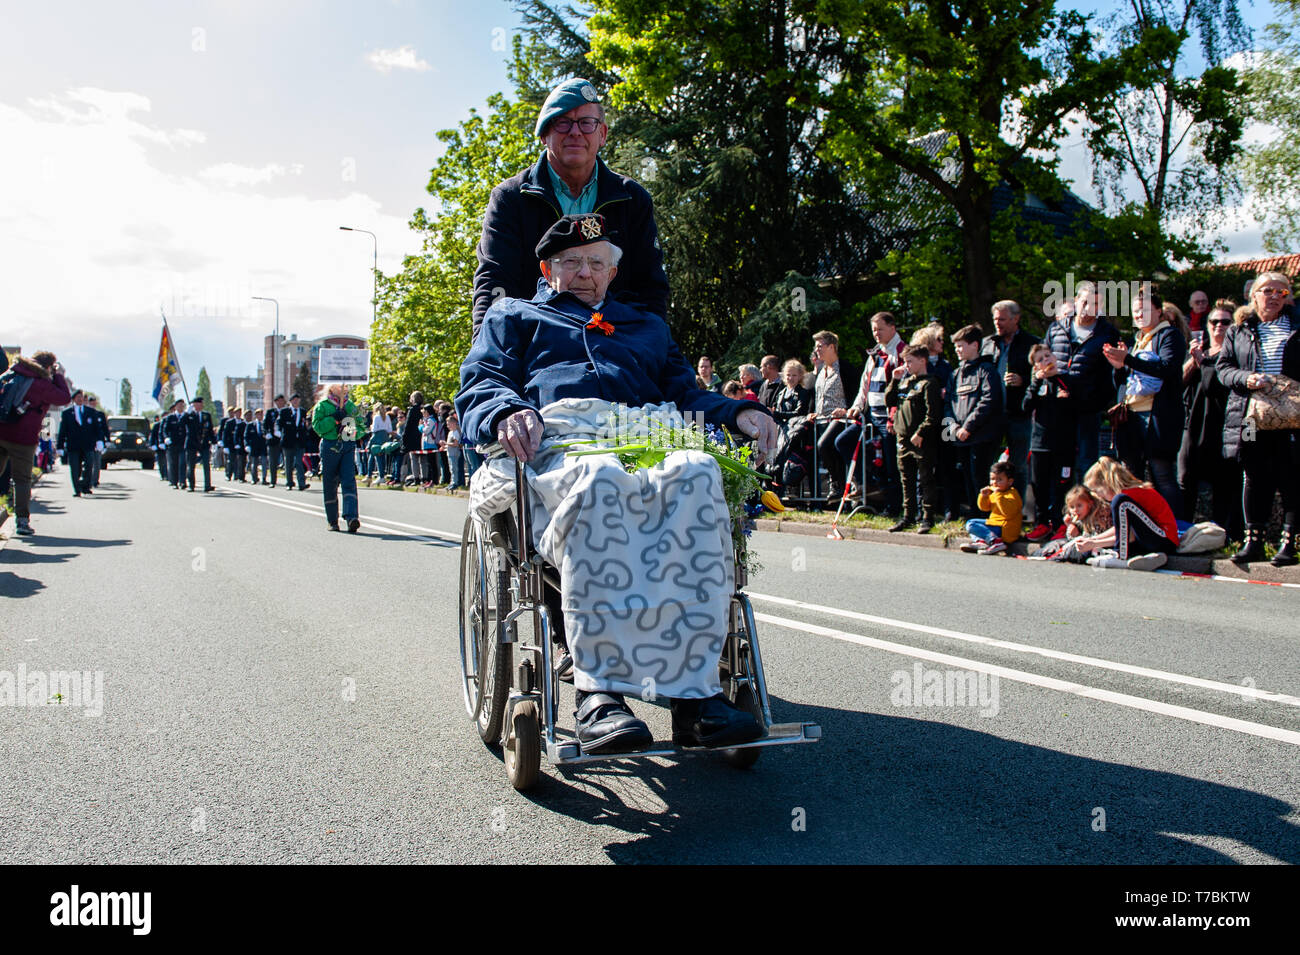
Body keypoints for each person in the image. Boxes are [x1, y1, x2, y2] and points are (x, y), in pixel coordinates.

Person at [457, 212, 778, 755]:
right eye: (572, 262)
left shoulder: (644, 325)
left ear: (612, 272)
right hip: (563, 442)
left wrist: (739, 412)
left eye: (597, 263)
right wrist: (508, 410)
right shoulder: (514, 315)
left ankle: (695, 698)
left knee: (697, 476)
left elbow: (684, 394)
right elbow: (480, 384)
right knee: (602, 482)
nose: (585, 273)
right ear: (546, 268)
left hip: (647, 438)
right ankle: (599, 694)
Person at [471, 77, 668, 341]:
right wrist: (489, 358)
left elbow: (650, 289)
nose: (575, 132)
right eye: (562, 122)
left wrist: (650, 354)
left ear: (602, 134)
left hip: (616, 349)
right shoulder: (510, 199)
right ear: (544, 134)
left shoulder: (632, 199)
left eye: (587, 123)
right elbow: (495, 284)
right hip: (535, 350)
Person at [1216, 271, 1300, 566]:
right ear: (1254, 295)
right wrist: (1246, 378)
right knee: (1253, 473)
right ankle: (1254, 542)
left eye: (1282, 292)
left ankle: (1290, 544)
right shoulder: (1239, 329)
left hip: (1292, 414)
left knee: (1292, 474)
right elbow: (1223, 368)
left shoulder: (1297, 324)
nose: (1275, 296)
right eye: (1268, 290)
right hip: (1252, 415)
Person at [1104, 289, 1187, 515]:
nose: (1139, 315)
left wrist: (1128, 359)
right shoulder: (1136, 340)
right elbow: (1124, 382)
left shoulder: (1169, 336)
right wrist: (1119, 367)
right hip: (1131, 416)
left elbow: (1168, 369)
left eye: (1145, 310)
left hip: (1159, 416)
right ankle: (1136, 528)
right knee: (1131, 476)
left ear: (1159, 311)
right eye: (1136, 311)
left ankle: (1175, 527)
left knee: (1162, 474)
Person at [1177, 299, 1243, 539]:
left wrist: (1203, 362)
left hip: (1222, 425)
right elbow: (1179, 382)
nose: (1218, 326)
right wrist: (1195, 360)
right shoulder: (1199, 352)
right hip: (1193, 423)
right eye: (1213, 321)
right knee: (1185, 479)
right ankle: (1181, 531)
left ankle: (1223, 536)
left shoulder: (1235, 354)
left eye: (1225, 322)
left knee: (1223, 485)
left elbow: (1215, 385)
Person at [1043, 280, 1122, 479]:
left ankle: (1088, 507)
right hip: (1058, 407)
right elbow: (1041, 360)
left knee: (1087, 463)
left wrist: (1098, 400)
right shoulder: (1056, 329)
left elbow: (1115, 373)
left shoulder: (1108, 334)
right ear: (1076, 301)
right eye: (1085, 302)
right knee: (1060, 461)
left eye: (1095, 304)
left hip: (1088, 410)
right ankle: (1061, 507)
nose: (1088, 308)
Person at [837, 311, 906, 513]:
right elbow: (864, 386)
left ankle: (893, 505)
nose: (876, 333)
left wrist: (895, 415)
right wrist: (857, 407)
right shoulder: (875, 354)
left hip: (889, 417)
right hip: (871, 416)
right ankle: (867, 485)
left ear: (892, 327)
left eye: (880, 329)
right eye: (874, 330)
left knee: (890, 461)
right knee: (843, 441)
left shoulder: (901, 352)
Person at [0, 351, 72, 536]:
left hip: (1, 431)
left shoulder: (12, 373)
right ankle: (22, 521)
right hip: (23, 439)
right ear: (48, 367)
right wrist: (57, 376)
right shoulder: (41, 384)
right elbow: (64, 398)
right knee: (22, 480)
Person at [1072, 457, 1179, 571]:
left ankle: (1120, 556)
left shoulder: (1126, 497)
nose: (1099, 496)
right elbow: (1122, 530)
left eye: (1099, 491)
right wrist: (1093, 540)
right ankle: (1151, 557)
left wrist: (1094, 543)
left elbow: (1126, 535)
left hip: (1164, 539)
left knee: (1120, 501)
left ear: (1106, 484)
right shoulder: (1130, 494)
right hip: (1156, 540)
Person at [980, 301, 1039, 501]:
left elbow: (1040, 376)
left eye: (1003, 319)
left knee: (1018, 465)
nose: (998, 324)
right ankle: (989, 508)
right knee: (988, 461)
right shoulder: (988, 343)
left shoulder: (1032, 343)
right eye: (995, 319)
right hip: (992, 413)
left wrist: (1023, 381)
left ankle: (1017, 510)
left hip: (1019, 412)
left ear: (1016, 319)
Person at [885, 344, 942, 533]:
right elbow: (890, 401)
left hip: (920, 439)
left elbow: (933, 414)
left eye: (910, 361)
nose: (906, 365)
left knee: (925, 479)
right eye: (905, 361)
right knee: (906, 479)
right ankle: (908, 516)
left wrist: (921, 433)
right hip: (902, 438)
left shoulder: (930, 383)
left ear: (922, 360)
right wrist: (894, 380)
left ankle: (927, 517)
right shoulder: (905, 382)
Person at [949, 324, 1005, 514]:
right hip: (961, 437)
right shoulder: (955, 374)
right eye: (955, 346)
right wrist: (956, 428)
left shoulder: (986, 370)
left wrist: (969, 426)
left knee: (980, 478)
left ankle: (986, 517)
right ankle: (974, 516)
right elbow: (949, 404)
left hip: (982, 436)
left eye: (961, 346)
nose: (957, 350)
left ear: (974, 345)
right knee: (966, 478)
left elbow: (989, 400)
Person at [1023, 343, 1075, 540]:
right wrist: (1036, 383)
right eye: (1040, 359)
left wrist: (1067, 399)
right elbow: (1026, 406)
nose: (1046, 360)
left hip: (1064, 445)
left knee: (1063, 486)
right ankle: (1042, 523)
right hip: (1040, 444)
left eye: (1048, 355)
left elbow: (1079, 406)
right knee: (1039, 487)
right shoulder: (1036, 385)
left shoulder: (1067, 380)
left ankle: (1062, 523)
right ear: (1036, 367)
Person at [311, 382, 364, 532]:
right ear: (331, 388)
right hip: (330, 445)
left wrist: (350, 429)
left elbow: (361, 428)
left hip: (347, 444)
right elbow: (317, 427)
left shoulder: (351, 406)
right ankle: (332, 520)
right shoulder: (322, 406)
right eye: (340, 386)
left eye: (345, 386)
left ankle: (351, 517)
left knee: (349, 481)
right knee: (330, 483)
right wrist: (333, 419)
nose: (343, 388)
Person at [959, 461, 1022, 555]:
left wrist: (998, 495)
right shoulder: (996, 493)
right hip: (995, 524)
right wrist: (983, 496)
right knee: (971, 524)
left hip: (1005, 528)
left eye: (999, 480)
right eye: (992, 479)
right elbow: (984, 508)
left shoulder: (1012, 494)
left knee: (971, 524)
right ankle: (982, 542)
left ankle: (995, 542)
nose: (995, 483)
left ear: (1010, 481)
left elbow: (1008, 513)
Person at [58, 390, 98, 496]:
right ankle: (77, 490)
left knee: (89, 465)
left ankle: (85, 486)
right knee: (75, 469)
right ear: (74, 399)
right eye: (77, 397)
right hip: (73, 446)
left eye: (81, 397)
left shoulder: (90, 412)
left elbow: (96, 428)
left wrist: (100, 441)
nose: (80, 399)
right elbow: (62, 430)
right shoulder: (67, 413)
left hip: (88, 445)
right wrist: (60, 446)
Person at [180, 396, 216, 492]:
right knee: (191, 465)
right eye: (198, 403)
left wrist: (214, 441)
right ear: (194, 405)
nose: (201, 405)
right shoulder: (189, 415)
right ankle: (191, 485)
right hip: (192, 443)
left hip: (204, 443)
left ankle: (207, 485)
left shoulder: (206, 415)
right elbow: (181, 424)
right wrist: (186, 413)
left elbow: (210, 429)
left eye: (201, 403)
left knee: (206, 465)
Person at [278, 393, 311, 491]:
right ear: (290, 401)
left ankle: (301, 483)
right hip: (288, 441)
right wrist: (279, 432)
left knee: (299, 463)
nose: (296, 401)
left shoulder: (303, 411)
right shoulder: (285, 411)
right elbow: (279, 423)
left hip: (299, 441)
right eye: (294, 400)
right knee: (288, 463)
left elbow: (305, 424)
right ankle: (289, 482)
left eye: (297, 400)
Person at [85, 395, 109, 486]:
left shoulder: (100, 414)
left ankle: (94, 481)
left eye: (94, 402)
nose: (92, 403)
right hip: (87, 442)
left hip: (98, 442)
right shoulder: (85, 413)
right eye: (91, 401)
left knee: (97, 462)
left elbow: (104, 428)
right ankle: (88, 479)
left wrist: (107, 440)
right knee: (88, 462)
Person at [245, 408, 269, 485]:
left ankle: (264, 478)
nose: (260, 416)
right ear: (255, 415)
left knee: (264, 463)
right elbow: (246, 436)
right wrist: (247, 445)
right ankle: (254, 478)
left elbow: (267, 433)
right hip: (254, 446)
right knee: (254, 463)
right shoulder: (251, 425)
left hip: (263, 446)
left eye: (261, 414)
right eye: (258, 414)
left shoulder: (265, 424)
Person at [266, 394, 285, 486]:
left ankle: (289, 481)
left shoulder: (287, 411)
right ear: (275, 402)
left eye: (282, 400)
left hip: (285, 439)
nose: (280, 402)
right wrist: (267, 433)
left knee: (288, 461)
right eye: (278, 401)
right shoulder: (270, 412)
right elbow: (265, 425)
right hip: (273, 440)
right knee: (273, 461)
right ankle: (273, 480)